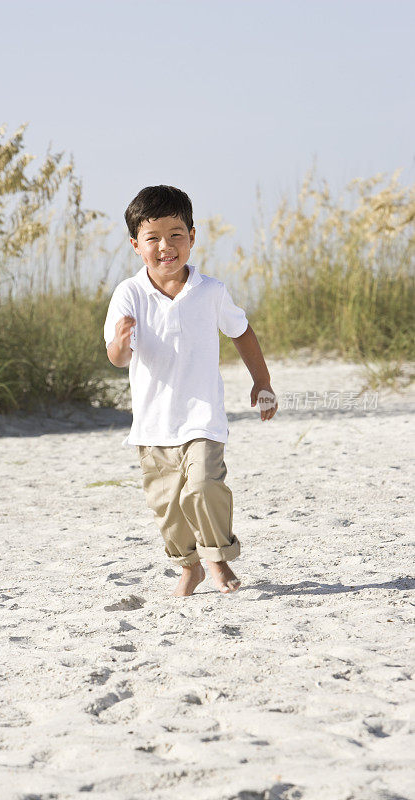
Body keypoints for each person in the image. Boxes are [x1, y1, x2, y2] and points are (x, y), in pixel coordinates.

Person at [104, 185, 277, 597]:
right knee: (167, 507)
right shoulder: (129, 294)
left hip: (202, 418)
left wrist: (263, 381)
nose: (166, 246)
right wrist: (120, 341)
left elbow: (242, 332)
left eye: (176, 234)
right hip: (152, 425)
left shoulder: (210, 291)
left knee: (203, 488)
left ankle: (216, 558)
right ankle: (189, 566)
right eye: (153, 238)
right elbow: (117, 357)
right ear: (136, 245)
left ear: (193, 236)